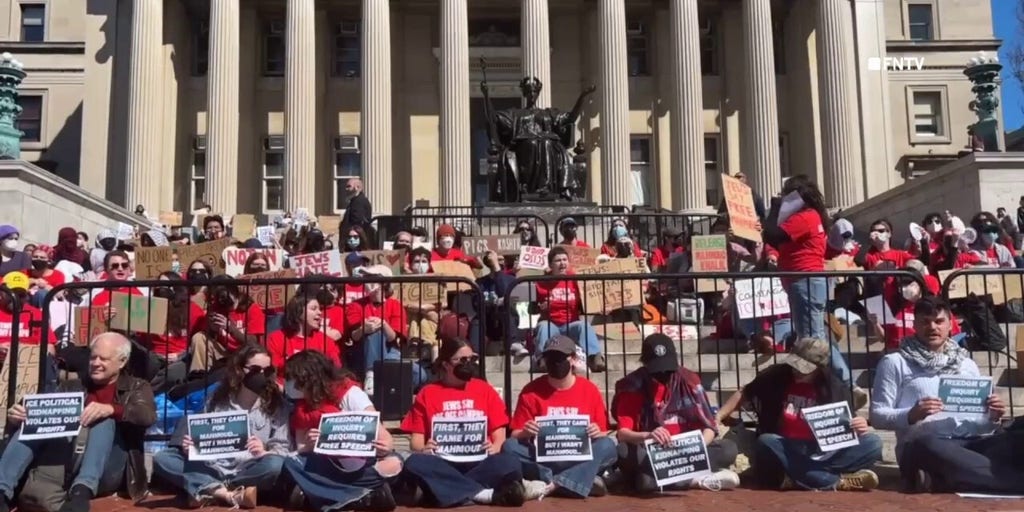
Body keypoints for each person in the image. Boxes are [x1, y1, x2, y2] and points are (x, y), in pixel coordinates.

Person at [870, 296, 1021, 493]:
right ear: (914, 325)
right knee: (927, 444)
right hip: (926, 444)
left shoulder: (967, 364)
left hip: (971, 443)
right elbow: (877, 416)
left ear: (951, 324)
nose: (932, 327)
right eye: (925, 322)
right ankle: (1008, 481)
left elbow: (980, 423)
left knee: (1018, 435)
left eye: (939, 321)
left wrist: (992, 416)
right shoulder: (895, 362)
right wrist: (911, 414)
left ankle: (945, 479)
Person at [0, 332, 156, 512]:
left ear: (122, 361)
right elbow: (45, 414)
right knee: (32, 421)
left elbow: (147, 415)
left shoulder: (137, 386)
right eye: (93, 357)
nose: (96, 363)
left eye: (103, 359)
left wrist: (112, 409)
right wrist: (17, 418)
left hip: (108, 464)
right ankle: (2, 491)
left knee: (102, 419)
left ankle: (82, 492)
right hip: (68, 456)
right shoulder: (72, 385)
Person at [716, 337, 882, 491]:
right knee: (766, 441)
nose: (796, 371)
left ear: (819, 368)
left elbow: (846, 425)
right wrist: (718, 416)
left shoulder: (835, 387)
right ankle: (836, 481)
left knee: (873, 443)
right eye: (795, 365)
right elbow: (745, 392)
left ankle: (800, 478)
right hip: (785, 446)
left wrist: (858, 424)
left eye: (804, 369)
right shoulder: (777, 375)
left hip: (820, 452)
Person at [153, 345, 289, 509]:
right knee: (163, 458)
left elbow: (283, 448)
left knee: (275, 465)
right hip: (211, 466)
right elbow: (202, 433)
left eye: (266, 371)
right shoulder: (218, 397)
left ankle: (207, 489)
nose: (261, 375)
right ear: (240, 369)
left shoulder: (276, 404)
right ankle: (228, 495)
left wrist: (264, 451)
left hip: (249, 470)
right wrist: (191, 446)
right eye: (255, 369)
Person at [400, 338, 527, 507]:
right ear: (445, 364)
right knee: (415, 463)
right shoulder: (427, 393)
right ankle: (483, 494)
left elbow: (500, 436)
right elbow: (416, 443)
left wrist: (494, 447)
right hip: (443, 462)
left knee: (510, 463)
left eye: (472, 359)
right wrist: (425, 449)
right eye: (462, 360)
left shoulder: (484, 389)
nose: (468, 363)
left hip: (480, 462)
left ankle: (447, 491)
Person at [612, 334, 740, 492]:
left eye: (668, 368)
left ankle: (656, 480)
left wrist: (697, 449)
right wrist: (648, 435)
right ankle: (696, 479)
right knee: (622, 452)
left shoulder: (690, 380)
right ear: (645, 364)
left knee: (728, 449)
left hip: (687, 452)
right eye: (657, 370)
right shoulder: (633, 386)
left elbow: (709, 427)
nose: (664, 373)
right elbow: (623, 434)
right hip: (651, 452)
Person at [501, 336, 618, 500]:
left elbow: (604, 433)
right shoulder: (531, 391)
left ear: (574, 359)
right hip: (543, 459)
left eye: (560, 358)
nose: (555, 363)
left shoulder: (589, 390)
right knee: (509, 447)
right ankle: (578, 480)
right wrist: (525, 432)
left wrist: (596, 431)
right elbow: (514, 434)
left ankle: (553, 483)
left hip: (578, 457)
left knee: (608, 446)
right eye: (550, 358)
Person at [284, 350, 401, 512]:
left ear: (308, 379)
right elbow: (300, 449)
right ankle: (363, 496)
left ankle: (322, 494)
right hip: (324, 464)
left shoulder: (351, 394)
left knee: (395, 461)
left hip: (360, 464)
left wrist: (383, 448)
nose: (289, 384)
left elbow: (385, 439)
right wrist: (310, 446)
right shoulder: (302, 407)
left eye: (293, 379)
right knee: (291, 463)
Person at [346, 265, 426, 394]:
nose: (368, 283)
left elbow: (394, 338)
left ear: (384, 283)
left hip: (390, 353)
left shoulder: (395, 305)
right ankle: (371, 374)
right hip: (363, 354)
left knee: (420, 375)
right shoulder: (355, 305)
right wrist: (364, 329)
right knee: (373, 329)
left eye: (372, 279)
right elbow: (353, 336)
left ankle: (392, 392)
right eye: (366, 279)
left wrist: (383, 324)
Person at [533, 247, 604, 372]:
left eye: (565, 260)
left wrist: (600, 306)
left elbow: (586, 302)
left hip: (571, 324)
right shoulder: (541, 283)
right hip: (551, 325)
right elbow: (531, 309)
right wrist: (539, 307)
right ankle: (542, 360)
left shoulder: (576, 280)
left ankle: (595, 358)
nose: (562, 263)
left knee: (584, 325)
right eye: (558, 260)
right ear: (550, 265)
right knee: (544, 326)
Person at [190, 276, 266, 374]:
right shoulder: (215, 308)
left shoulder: (252, 309)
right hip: (224, 353)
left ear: (235, 292)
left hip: (245, 353)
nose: (223, 302)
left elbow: (253, 342)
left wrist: (230, 328)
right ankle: (199, 374)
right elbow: (208, 336)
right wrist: (212, 329)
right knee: (199, 337)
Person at [266, 294, 342, 383]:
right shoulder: (276, 338)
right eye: (314, 309)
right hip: (285, 389)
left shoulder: (325, 340)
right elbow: (273, 368)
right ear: (298, 312)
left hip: (317, 390)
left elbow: (336, 366)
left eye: (320, 309)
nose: (320, 313)